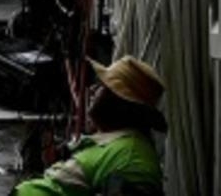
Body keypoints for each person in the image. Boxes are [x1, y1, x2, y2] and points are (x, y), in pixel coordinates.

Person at [12, 55, 166, 195]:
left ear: (120, 103)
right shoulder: (116, 145)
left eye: (103, 87)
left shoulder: (132, 158)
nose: (92, 90)